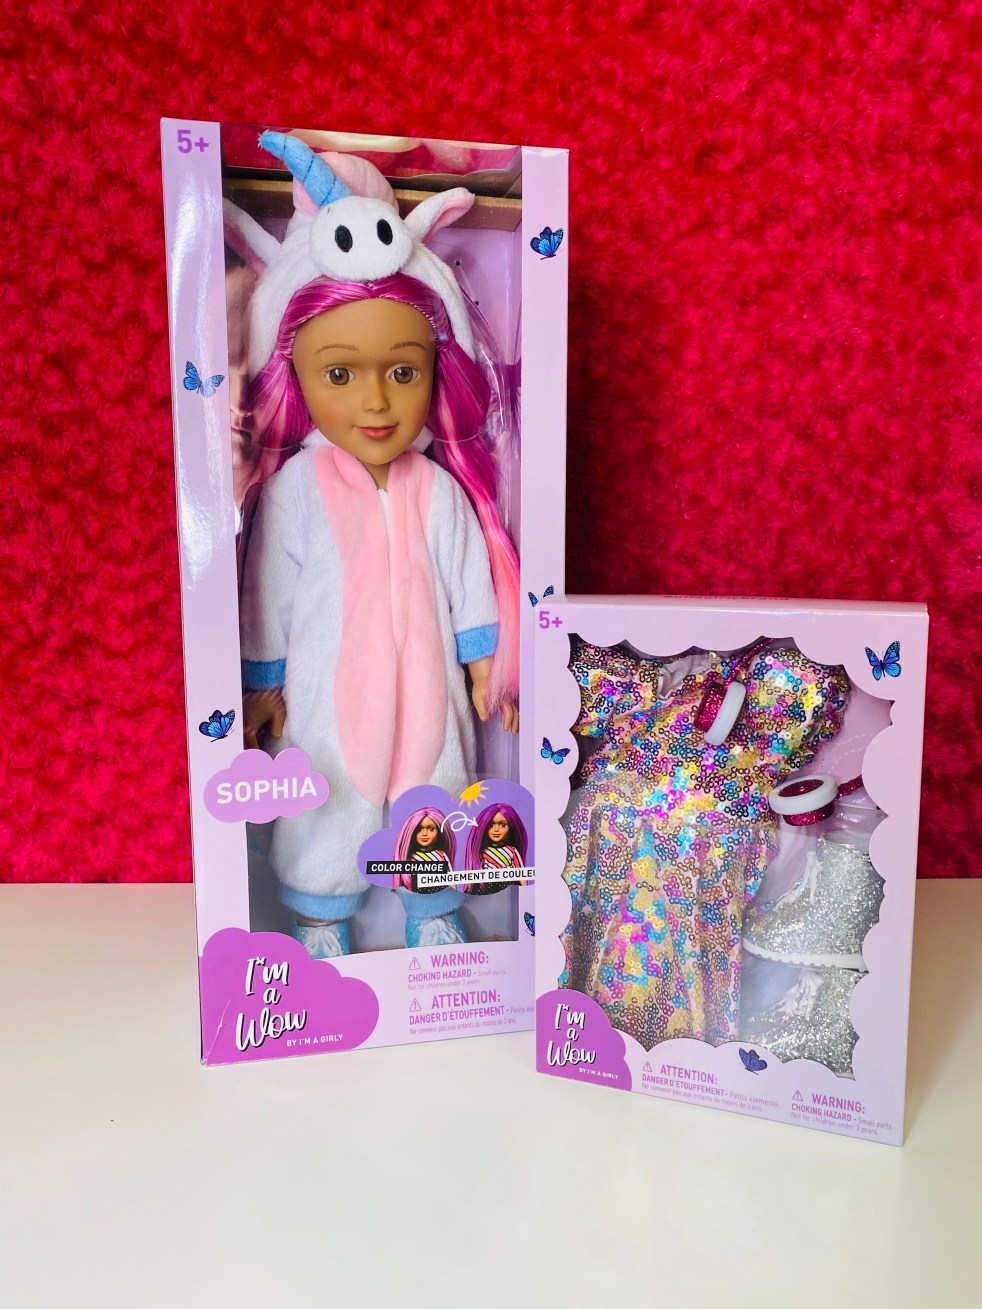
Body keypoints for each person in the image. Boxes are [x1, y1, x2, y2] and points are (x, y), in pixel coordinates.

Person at [235, 133, 519, 957]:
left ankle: (435, 906)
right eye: (340, 374)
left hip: (430, 680)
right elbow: (267, 591)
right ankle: (317, 913)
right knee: (328, 792)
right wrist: (263, 681)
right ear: (296, 376)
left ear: (435, 371)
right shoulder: (297, 489)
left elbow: (467, 579)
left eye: (402, 372)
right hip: (326, 688)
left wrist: (483, 661)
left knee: (437, 778)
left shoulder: (438, 489)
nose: (376, 403)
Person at [465, 804, 528, 895]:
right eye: (491, 825)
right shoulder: (481, 853)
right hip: (486, 889)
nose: (496, 829)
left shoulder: (512, 851)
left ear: (511, 827)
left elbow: (521, 873)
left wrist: (524, 892)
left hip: (506, 886)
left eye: (503, 825)